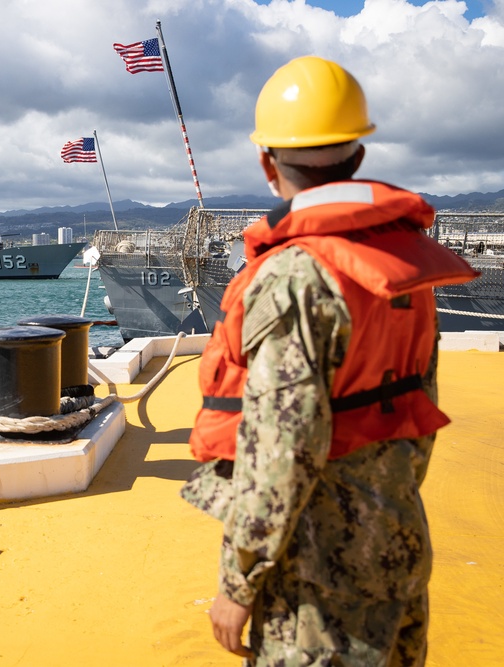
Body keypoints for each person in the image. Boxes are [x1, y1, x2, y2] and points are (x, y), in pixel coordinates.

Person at [179, 56, 478, 665]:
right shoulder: (402, 269)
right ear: (359, 156)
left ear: (268, 162)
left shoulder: (294, 279)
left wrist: (238, 585)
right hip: (395, 551)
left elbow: (280, 451)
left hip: (316, 587)